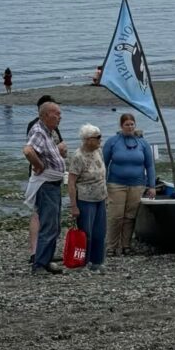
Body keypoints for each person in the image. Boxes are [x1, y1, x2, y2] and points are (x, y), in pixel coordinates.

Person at [23, 100, 67, 275]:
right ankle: (39, 264)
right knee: (48, 224)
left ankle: (46, 259)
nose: (60, 117)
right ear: (45, 115)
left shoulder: (48, 132)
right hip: (46, 185)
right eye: (56, 113)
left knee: (54, 224)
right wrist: (39, 165)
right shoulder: (39, 131)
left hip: (53, 184)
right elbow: (28, 150)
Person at [103, 113, 156, 255]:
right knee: (116, 215)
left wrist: (152, 186)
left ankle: (126, 245)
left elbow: (150, 166)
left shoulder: (143, 143)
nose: (130, 127)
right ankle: (111, 246)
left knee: (130, 216)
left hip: (137, 184)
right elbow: (104, 164)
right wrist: (102, 183)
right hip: (116, 184)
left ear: (135, 125)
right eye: (127, 124)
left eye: (132, 124)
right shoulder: (112, 142)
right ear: (121, 126)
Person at [68, 124, 108, 273]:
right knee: (86, 233)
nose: (100, 140)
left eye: (100, 136)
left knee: (100, 232)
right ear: (87, 139)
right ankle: (82, 262)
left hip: (100, 197)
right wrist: (73, 205)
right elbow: (71, 182)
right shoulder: (78, 156)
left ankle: (97, 261)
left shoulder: (99, 151)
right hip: (85, 199)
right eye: (97, 137)